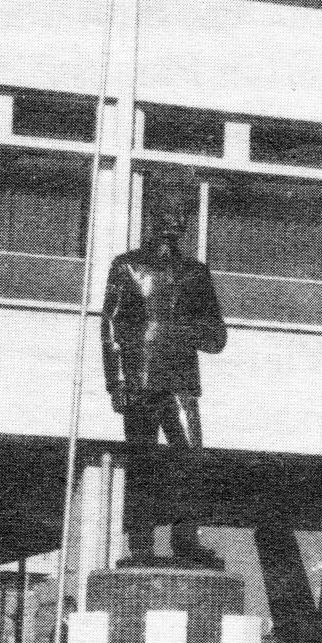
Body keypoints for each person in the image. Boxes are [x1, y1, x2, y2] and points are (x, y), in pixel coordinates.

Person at [100, 196, 227, 568]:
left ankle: (185, 539)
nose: (174, 222)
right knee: (143, 463)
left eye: (181, 216)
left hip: (181, 382)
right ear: (152, 219)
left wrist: (186, 329)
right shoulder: (126, 266)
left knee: (191, 461)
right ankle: (141, 544)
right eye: (167, 214)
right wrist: (115, 382)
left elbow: (216, 335)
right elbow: (110, 325)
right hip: (139, 381)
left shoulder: (196, 273)